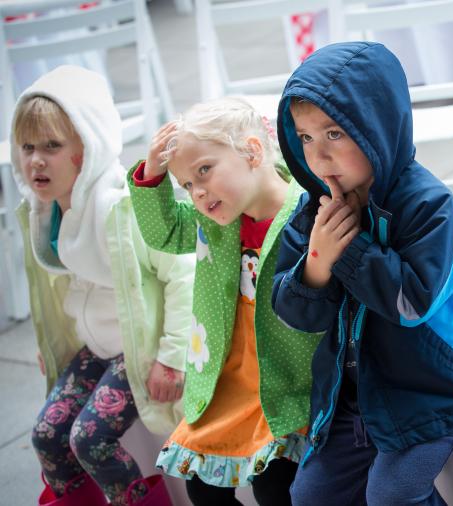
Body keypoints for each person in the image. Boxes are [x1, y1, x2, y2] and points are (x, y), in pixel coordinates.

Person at [271, 41, 453, 506]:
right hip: (352, 399)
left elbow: (411, 302)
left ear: (376, 127)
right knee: (309, 497)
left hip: (428, 393)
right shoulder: (315, 211)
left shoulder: (430, 206)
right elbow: (293, 313)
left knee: (392, 495)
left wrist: (346, 250)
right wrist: (317, 264)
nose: (318, 156)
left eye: (334, 134)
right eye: (305, 138)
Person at [11, 65, 193, 505]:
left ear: (87, 148)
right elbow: (64, 288)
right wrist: (56, 340)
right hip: (98, 347)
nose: (36, 159)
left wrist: (172, 356)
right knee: (45, 436)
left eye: (52, 146)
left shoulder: (121, 208)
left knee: (90, 439)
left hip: (138, 345)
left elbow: (183, 272)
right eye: (28, 146)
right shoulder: (45, 210)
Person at [128, 97, 319, 505]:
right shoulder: (213, 222)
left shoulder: (306, 212)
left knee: (274, 486)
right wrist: (152, 175)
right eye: (187, 185)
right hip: (230, 380)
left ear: (252, 151)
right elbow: (162, 233)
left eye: (204, 171)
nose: (197, 192)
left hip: (288, 383)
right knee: (201, 486)